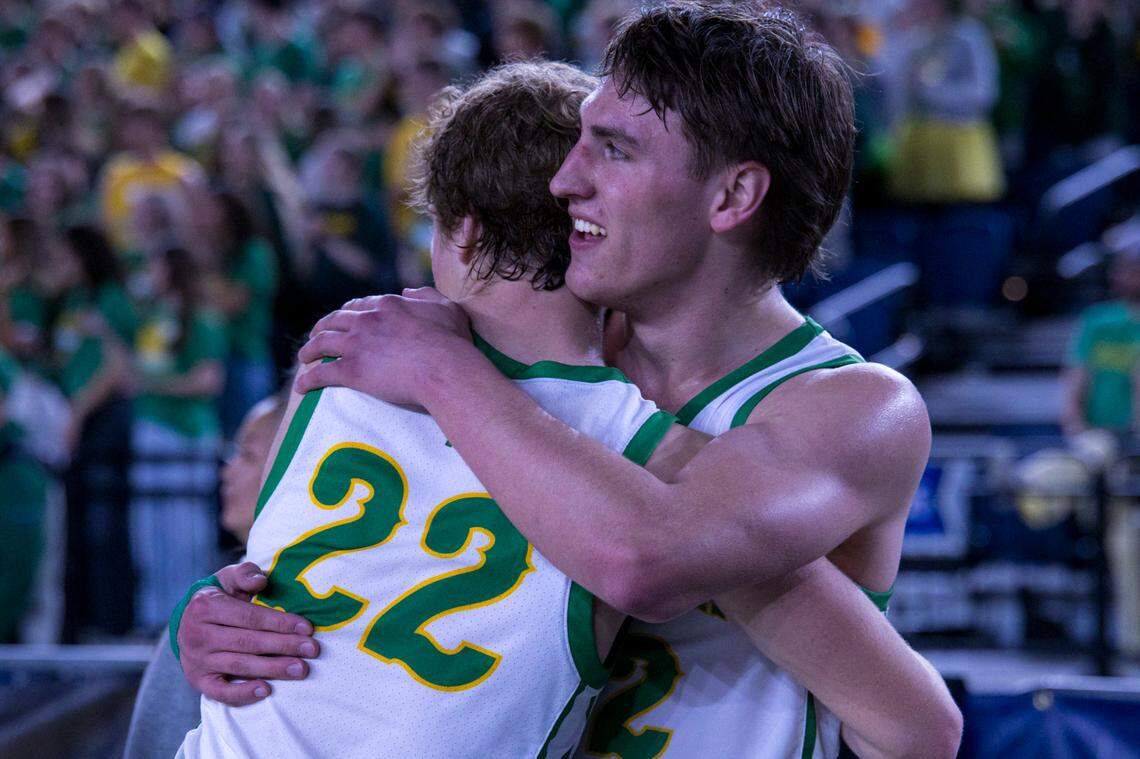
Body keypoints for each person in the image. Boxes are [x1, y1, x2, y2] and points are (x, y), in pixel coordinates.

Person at [175, 52, 959, 759]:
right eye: (581, 144)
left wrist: (450, 373)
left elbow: (917, 725)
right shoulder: (528, 368)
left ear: (733, 195)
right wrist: (219, 614)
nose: (567, 180)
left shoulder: (848, 403)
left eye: (614, 150)